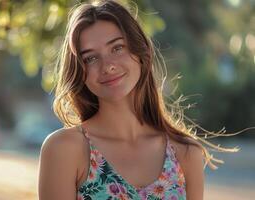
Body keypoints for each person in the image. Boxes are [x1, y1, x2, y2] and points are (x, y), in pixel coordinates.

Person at [38, 0, 236, 199]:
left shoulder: (185, 153)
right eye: (90, 58)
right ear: (81, 72)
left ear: (141, 52)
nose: (107, 66)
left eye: (117, 48)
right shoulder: (64, 150)